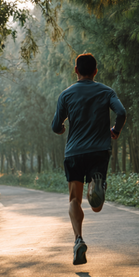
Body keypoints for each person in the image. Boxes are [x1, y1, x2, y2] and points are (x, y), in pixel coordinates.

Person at [51, 53, 127, 265]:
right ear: (95, 71)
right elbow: (121, 112)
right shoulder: (106, 91)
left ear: (76, 70)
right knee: (96, 206)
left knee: (74, 200)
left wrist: (63, 128)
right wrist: (115, 130)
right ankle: (96, 184)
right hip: (99, 151)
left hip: (74, 153)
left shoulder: (66, 95)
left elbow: (56, 126)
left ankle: (78, 240)